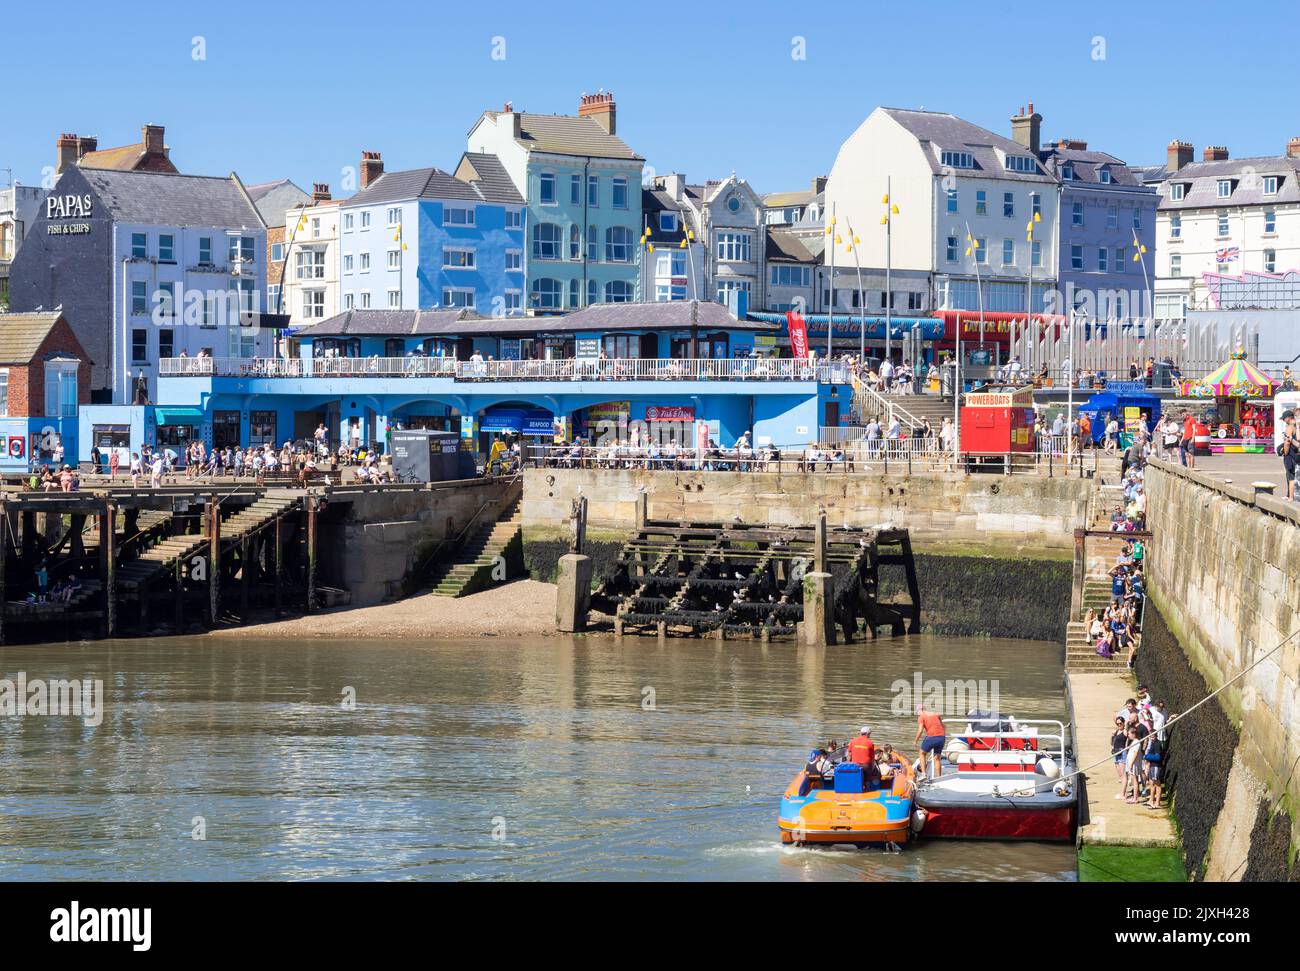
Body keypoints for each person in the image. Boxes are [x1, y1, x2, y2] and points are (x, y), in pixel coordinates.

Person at [915, 705, 946, 781]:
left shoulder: (921, 717)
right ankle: (939, 778)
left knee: (922, 753)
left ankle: (923, 774)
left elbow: (920, 730)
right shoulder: (935, 714)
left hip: (932, 737)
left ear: (919, 710)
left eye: (917, 712)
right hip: (942, 737)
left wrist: (915, 741)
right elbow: (943, 726)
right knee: (937, 758)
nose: (918, 714)